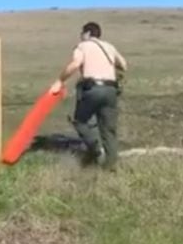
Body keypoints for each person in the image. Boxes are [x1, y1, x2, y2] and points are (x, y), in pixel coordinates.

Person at [49, 22, 127, 170]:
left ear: (87, 34)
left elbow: (75, 64)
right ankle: (110, 166)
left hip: (92, 89)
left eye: (82, 33)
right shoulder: (109, 47)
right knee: (108, 130)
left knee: (80, 122)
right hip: (111, 90)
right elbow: (124, 65)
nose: (81, 36)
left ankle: (96, 149)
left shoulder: (83, 46)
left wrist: (60, 81)